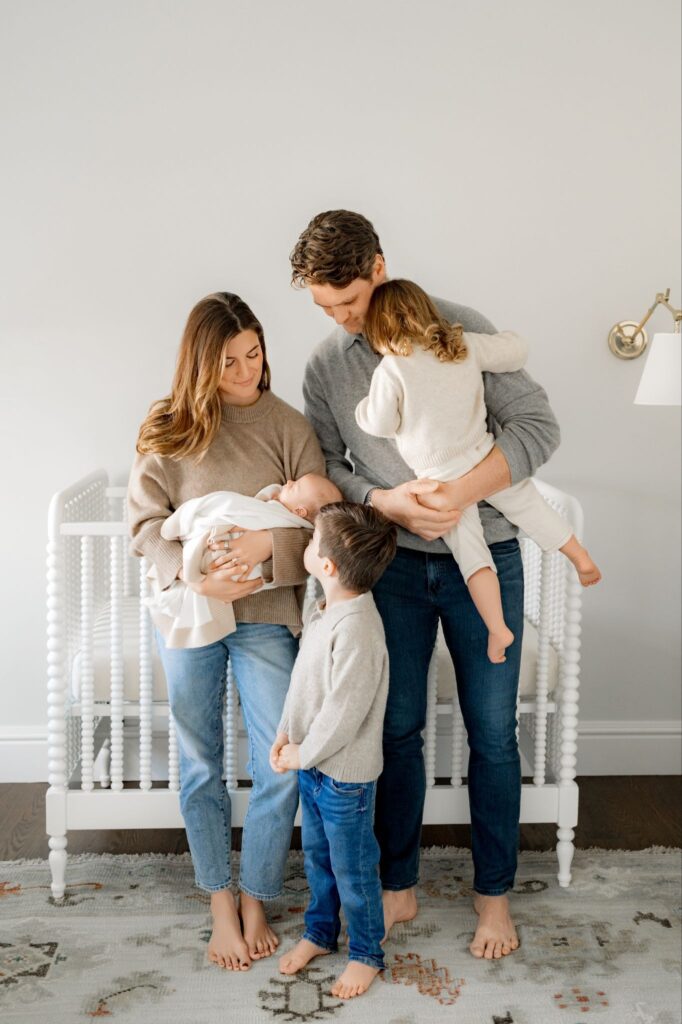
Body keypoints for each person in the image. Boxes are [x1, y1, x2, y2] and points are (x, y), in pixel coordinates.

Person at [290, 209, 561, 960]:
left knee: (493, 734)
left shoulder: (456, 329)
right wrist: (387, 503)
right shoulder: (329, 364)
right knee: (396, 728)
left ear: (378, 266)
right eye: (327, 308)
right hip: (394, 567)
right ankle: (398, 880)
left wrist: (459, 494)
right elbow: (329, 467)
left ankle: (492, 896)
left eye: (349, 300)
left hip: (488, 556)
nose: (344, 320)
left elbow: (537, 430)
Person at [127, 292, 325, 971]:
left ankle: (257, 894)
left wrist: (267, 551)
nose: (244, 372)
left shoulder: (288, 426)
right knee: (201, 761)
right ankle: (218, 897)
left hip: (266, 618)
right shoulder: (168, 426)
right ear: (199, 363)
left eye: (254, 356)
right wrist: (194, 579)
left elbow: (320, 529)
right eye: (228, 362)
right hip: (189, 615)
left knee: (280, 761)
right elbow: (145, 527)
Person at [356, 278, 601, 663]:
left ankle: (497, 627)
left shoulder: (391, 369)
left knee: (472, 555)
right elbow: (515, 352)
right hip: (482, 456)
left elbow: (381, 423)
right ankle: (580, 557)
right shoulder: (460, 345)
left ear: (379, 328)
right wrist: (510, 336)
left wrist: (362, 408)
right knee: (532, 508)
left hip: (439, 481)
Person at [271, 502, 397, 1000]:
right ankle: (320, 933)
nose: (305, 546)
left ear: (326, 566)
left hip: (343, 776)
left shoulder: (359, 629)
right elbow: (302, 685)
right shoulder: (324, 611)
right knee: (319, 859)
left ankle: (367, 952)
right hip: (312, 767)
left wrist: (302, 754)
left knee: (354, 867)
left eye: (311, 542)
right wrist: (285, 734)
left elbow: (344, 712)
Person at [146, 473, 342, 649]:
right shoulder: (270, 505)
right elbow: (144, 522)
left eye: (295, 486)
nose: (289, 481)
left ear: (299, 512)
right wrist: (189, 576)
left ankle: (197, 559)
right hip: (186, 575)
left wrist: (269, 542)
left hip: (267, 612)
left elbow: (320, 539)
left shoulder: (284, 515)